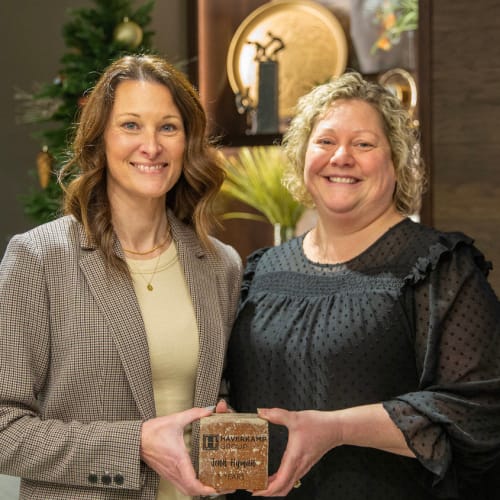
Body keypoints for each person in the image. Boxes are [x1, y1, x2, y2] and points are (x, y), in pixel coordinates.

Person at [225, 71, 500, 499]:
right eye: (326, 141)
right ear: (302, 156)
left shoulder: (438, 268)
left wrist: (336, 429)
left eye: (364, 144)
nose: (341, 157)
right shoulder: (261, 271)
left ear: (397, 162)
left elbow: (479, 411)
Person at [0, 54, 242, 499]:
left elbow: (219, 400)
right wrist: (133, 446)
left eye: (168, 127)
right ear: (100, 141)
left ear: (186, 142)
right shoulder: (38, 259)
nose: (151, 146)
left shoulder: (220, 264)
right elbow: (4, 429)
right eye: (131, 125)